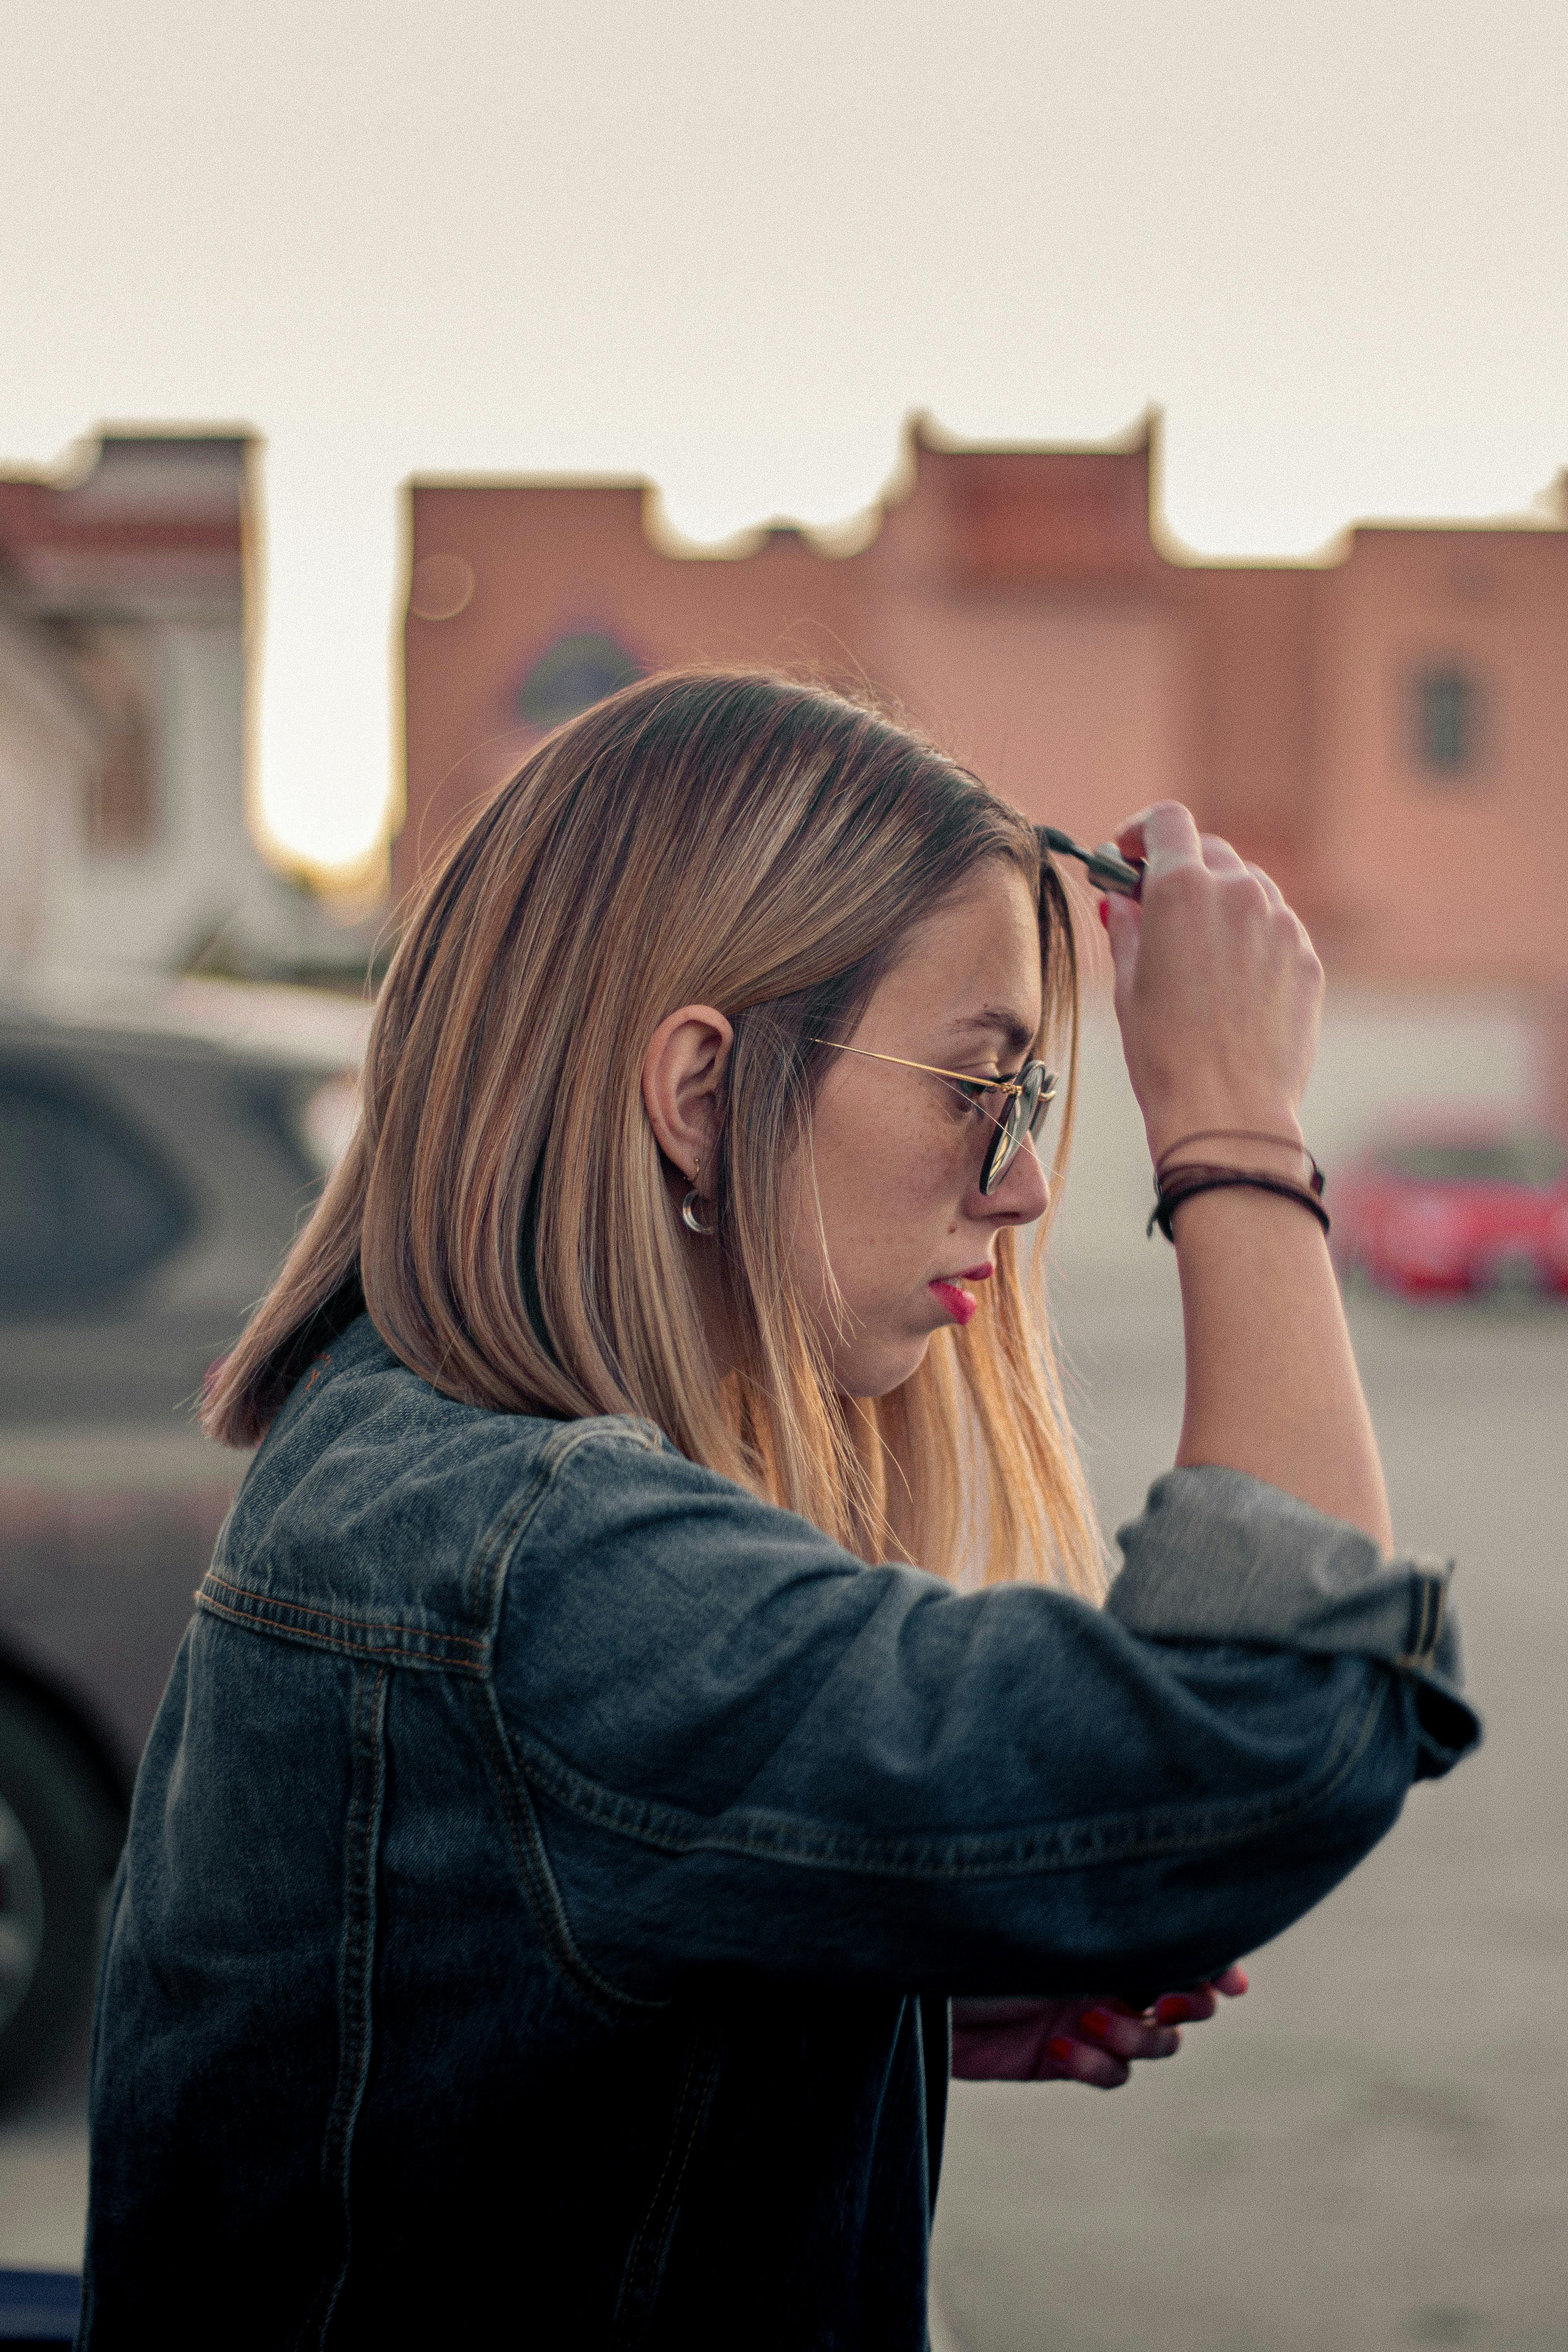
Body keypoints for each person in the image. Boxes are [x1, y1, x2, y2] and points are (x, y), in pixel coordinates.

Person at [79, 671, 1478, 2349]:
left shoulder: (410, 1466)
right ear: (697, 1094)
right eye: (982, 1086)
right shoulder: (532, 1559)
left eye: (1029, 1105)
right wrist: (1241, 1136)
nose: (1024, 1186)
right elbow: (1273, 1725)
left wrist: (843, 1992)